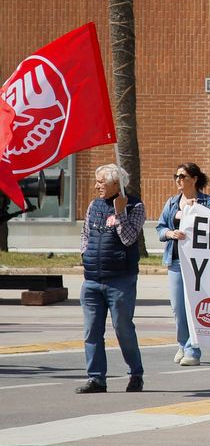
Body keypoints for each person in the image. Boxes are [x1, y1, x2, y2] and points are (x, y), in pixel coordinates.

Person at [78, 164, 146, 394]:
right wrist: (85, 254)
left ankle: (135, 373)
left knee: (122, 328)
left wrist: (119, 213)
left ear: (116, 184)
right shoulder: (94, 205)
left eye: (101, 182)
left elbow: (128, 239)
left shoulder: (135, 206)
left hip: (120, 280)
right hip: (92, 280)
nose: (96, 186)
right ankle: (96, 378)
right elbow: (85, 233)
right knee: (91, 331)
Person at [156, 163, 210, 367]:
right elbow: (160, 227)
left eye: (183, 176)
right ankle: (183, 343)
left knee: (194, 306)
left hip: (199, 263)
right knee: (178, 308)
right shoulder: (172, 202)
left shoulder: (207, 202)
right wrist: (170, 233)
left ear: (194, 179)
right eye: (176, 176)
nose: (178, 180)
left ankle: (192, 349)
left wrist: (195, 210)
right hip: (175, 260)